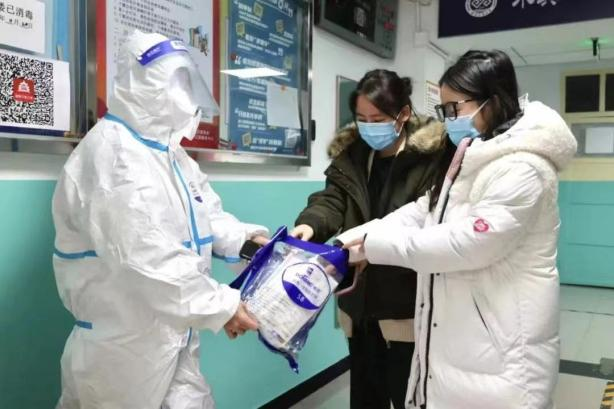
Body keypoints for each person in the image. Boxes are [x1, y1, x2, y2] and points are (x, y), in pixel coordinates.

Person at [339, 50, 577, 409]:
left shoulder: (524, 167)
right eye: (444, 109)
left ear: (492, 101)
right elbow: (425, 209)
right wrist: (354, 238)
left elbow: (468, 243)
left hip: (503, 348)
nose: (448, 119)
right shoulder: (474, 153)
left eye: (454, 108)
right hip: (464, 338)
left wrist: (373, 246)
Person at [52, 31, 268, 409]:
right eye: (175, 81)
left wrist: (249, 244)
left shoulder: (169, 154)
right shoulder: (113, 155)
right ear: (142, 83)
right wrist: (221, 307)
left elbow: (207, 214)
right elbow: (148, 258)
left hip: (174, 334)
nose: (185, 94)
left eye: (188, 80)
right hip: (122, 351)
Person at [292, 69, 448, 408]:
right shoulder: (353, 156)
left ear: (403, 114)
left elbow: (427, 223)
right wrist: (310, 225)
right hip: (359, 300)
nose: (368, 127)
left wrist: (373, 248)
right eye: (361, 119)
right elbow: (332, 200)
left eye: (377, 119)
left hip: (406, 301)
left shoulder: (430, 159)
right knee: (365, 396)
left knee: (409, 395)